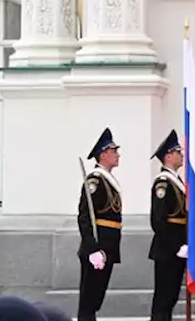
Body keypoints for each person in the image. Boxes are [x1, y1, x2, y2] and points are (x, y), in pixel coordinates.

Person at [78, 127, 123, 321]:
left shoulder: (109, 180)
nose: (118, 155)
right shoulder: (95, 180)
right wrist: (92, 249)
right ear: (103, 154)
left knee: (96, 299)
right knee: (89, 301)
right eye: (114, 151)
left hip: (108, 245)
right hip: (98, 246)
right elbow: (85, 216)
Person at [149, 129, 188, 321]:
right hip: (167, 249)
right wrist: (177, 245)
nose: (182, 155)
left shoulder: (177, 181)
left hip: (178, 248)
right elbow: (158, 220)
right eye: (178, 152)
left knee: (170, 299)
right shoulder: (163, 183)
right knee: (163, 300)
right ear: (169, 156)